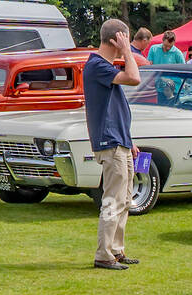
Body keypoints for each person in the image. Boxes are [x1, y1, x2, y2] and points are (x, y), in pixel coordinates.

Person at [85, 19, 141, 271]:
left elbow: (114, 109)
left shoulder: (104, 67)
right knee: (113, 199)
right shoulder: (97, 65)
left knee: (125, 199)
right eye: (125, 39)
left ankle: (116, 249)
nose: (126, 45)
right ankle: (103, 254)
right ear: (115, 39)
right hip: (110, 143)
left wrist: (130, 141)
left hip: (121, 141)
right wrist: (128, 51)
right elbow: (134, 77)